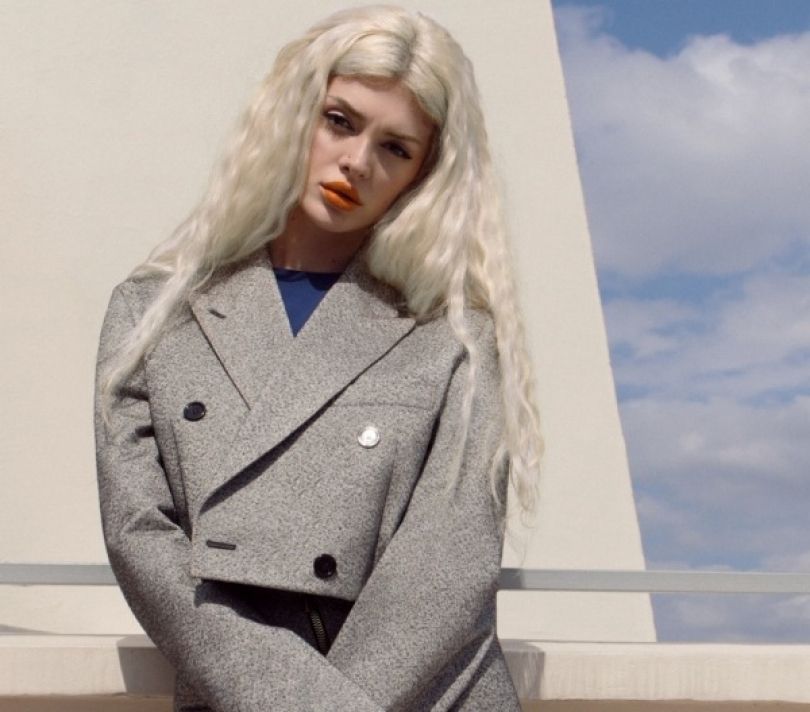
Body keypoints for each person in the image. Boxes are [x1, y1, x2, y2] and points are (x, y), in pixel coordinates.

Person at [94, 5, 542, 711]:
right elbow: (140, 538)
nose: (358, 162)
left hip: (419, 695)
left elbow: (448, 564)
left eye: (396, 149)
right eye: (340, 121)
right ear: (292, 116)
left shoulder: (450, 334)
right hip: (240, 688)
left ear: (423, 176)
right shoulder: (154, 314)